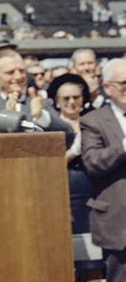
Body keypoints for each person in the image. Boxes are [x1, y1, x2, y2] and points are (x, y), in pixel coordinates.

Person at [81, 58, 126, 282]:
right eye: (124, 84)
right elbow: (93, 163)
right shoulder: (94, 121)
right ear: (108, 88)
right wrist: (123, 147)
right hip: (118, 223)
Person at [0, 49, 69, 135]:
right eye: (10, 72)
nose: (18, 77)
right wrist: (7, 120)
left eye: (21, 71)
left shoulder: (42, 103)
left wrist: (41, 116)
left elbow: (68, 135)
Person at [48, 74, 92, 234]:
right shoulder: (49, 127)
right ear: (57, 102)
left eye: (76, 97)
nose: (72, 102)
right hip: (62, 191)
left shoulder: (94, 122)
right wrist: (72, 153)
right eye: (66, 98)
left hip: (91, 191)